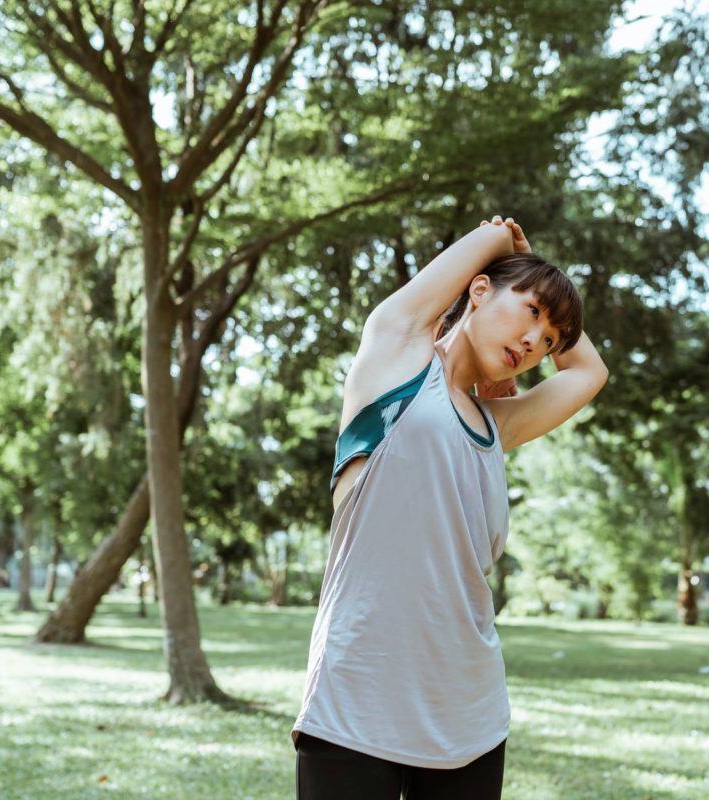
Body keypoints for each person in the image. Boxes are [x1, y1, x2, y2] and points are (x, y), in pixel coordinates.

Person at [291, 215, 609, 799]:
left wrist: (547, 299)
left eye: (549, 342)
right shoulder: (396, 361)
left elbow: (589, 371)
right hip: (359, 696)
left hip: (470, 711)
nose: (534, 344)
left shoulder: (498, 425)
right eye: (531, 313)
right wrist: (509, 246)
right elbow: (482, 249)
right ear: (479, 291)